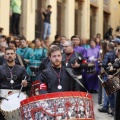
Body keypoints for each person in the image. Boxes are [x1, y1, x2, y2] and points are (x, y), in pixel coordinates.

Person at [0, 47, 31, 120]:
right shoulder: (0, 69)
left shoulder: (22, 69)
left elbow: (29, 85)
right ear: (4, 56)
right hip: (2, 99)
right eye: (7, 54)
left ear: (15, 56)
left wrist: (25, 84)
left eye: (11, 53)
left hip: (17, 100)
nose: (10, 55)